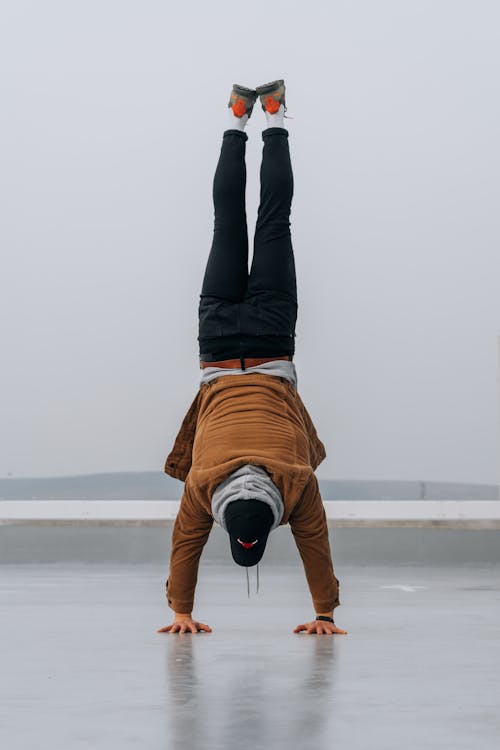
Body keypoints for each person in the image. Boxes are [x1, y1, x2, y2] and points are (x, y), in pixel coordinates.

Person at [157, 80, 347, 636]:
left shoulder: (298, 483)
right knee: (227, 222)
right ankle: (238, 118)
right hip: (216, 346)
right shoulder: (202, 485)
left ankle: (273, 116)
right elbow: (184, 547)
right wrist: (180, 611)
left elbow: (316, 546)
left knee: (272, 219)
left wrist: (324, 614)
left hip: (270, 338)